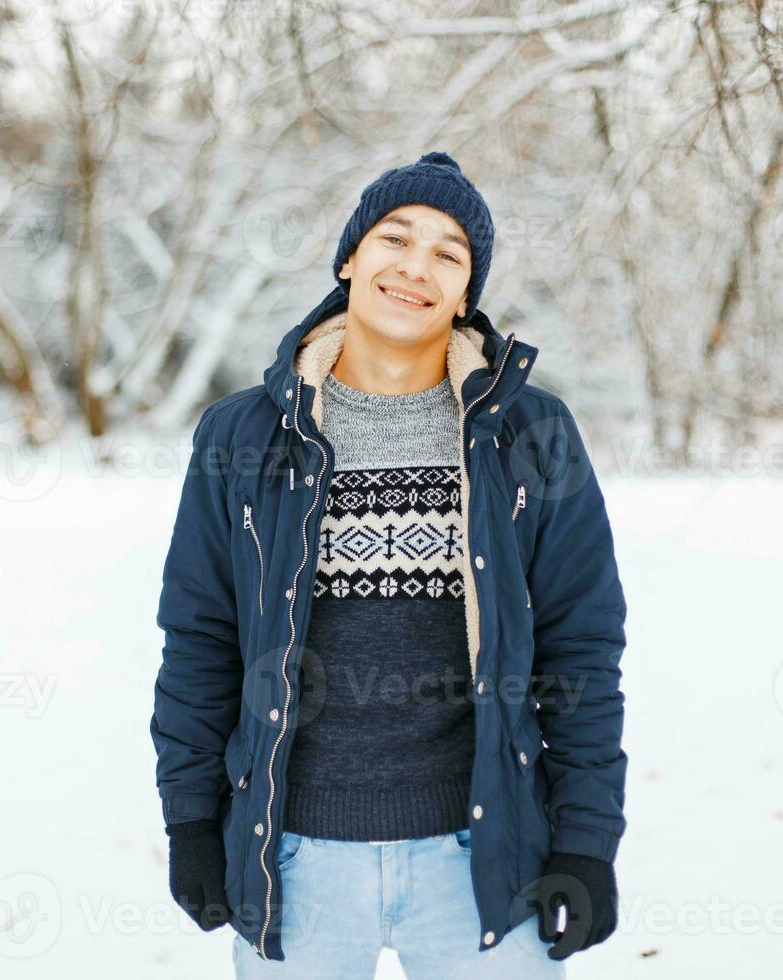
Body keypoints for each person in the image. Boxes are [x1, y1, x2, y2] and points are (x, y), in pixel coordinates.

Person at [150, 151, 629, 978]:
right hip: (293, 862)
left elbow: (580, 649)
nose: (416, 267)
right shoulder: (243, 437)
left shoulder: (533, 435)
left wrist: (586, 843)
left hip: (483, 865)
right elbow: (200, 638)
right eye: (395, 238)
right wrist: (191, 820)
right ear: (349, 259)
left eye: (449, 253)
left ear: (468, 291)